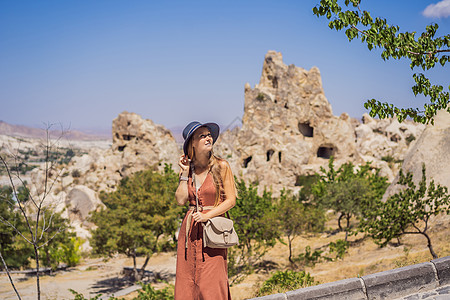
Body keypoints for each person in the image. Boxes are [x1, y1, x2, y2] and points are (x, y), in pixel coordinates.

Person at [174, 121, 236, 300]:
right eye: (202, 135)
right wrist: (184, 173)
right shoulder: (189, 169)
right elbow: (180, 200)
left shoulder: (221, 166)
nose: (208, 137)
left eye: (209, 134)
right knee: (188, 282)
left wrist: (207, 215)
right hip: (190, 232)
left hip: (213, 232)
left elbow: (231, 200)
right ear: (192, 143)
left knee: (212, 284)